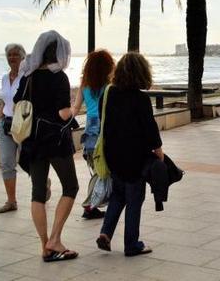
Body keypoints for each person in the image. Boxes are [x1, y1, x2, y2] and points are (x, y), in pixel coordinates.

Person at [14, 31, 79, 262]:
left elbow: (17, 102)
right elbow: (63, 113)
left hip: (32, 140)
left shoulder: (28, 76)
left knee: (38, 194)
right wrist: (74, 109)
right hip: (55, 140)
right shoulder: (58, 77)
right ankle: (55, 239)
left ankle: (45, 246)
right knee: (70, 187)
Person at [96, 52, 163, 257]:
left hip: (113, 154)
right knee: (135, 198)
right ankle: (131, 244)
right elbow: (149, 129)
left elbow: (103, 121)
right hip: (136, 156)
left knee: (118, 194)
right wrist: (158, 151)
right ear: (142, 72)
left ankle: (106, 233)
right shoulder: (141, 99)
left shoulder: (108, 93)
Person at [70, 49, 115, 220]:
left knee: (97, 167)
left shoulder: (84, 83)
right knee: (102, 169)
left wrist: (67, 120)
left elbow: (75, 107)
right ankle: (90, 205)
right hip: (105, 127)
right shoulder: (110, 84)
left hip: (90, 128)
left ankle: (92, 205)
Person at [0, 43, 26, 214]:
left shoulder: (27, 76)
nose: (12, 58)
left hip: (22, 124)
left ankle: (44, 184)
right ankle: (11, 201)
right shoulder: (5, 78)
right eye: (9, 55)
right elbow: (6, 99)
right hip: (5, 123)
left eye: (15, 54)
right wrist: (1, 114)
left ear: (23, 57)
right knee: (7, 163)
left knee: (27, 161)